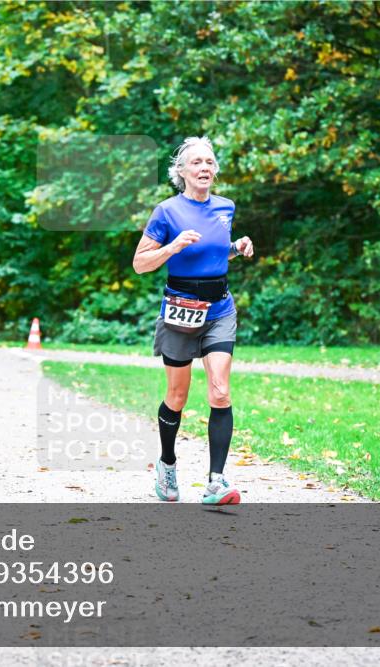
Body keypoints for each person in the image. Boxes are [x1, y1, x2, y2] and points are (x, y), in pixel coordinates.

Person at [132, 136, 254, 505]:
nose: (204, 168)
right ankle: (167, 464)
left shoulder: (225, 208)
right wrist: (172, 247)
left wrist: (237, 248)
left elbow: (213, 255)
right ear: (181, 172)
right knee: (177, 395)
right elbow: (140, 264)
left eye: (210, 162)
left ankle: (216, 482)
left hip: (219, 309)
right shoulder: (167, 212)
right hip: (180, 311)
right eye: (197, 162)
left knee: (220, 390)